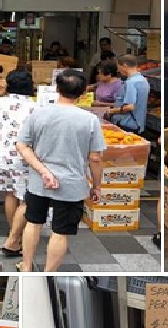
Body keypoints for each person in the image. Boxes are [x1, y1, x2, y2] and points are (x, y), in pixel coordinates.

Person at [17, 70, 105, 272]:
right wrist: (97, 186)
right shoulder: (89, 120)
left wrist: (43, 171)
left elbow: (22, 145)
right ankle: (49, 273)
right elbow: (95, 157)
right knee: (60, 231)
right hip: (72, 183)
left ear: (57, 89)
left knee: (33, 222)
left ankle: (27, 266)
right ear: (83, 93)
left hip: (39, 182)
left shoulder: (38, 113)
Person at [0, 70, 35, 257]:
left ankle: (13, 232)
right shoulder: (33, 106)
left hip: (1, 156)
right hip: (24, 157)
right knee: (27, 198)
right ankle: (13, 240)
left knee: (10, 194)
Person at [105, 54, 150, 134]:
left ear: (124, 66)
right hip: (138, 124)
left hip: (128, 124)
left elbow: (129, 107)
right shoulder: (143, 80)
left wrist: (111, 111)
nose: (118, 70)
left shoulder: (130, 82)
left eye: (119, 67)